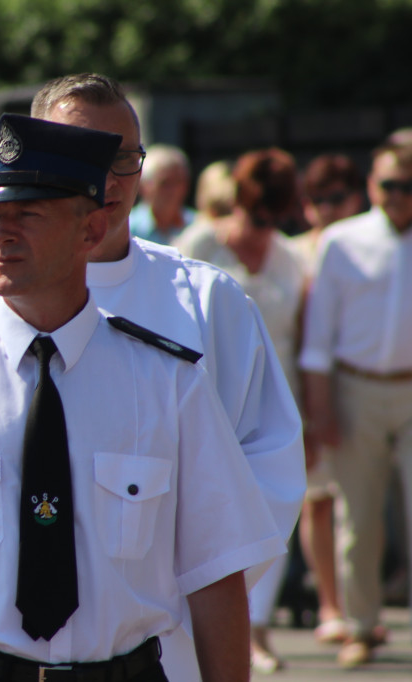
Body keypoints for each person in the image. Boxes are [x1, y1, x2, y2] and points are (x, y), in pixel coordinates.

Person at [0, 113, 285, 682]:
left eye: (27, 214)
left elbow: (216, 572)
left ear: (89, 231)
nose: (0, 234)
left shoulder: (167, 380)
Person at [175, 148, 307, 673]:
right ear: (236, 205)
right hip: (206, 407)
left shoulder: (290, 258)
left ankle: (258, 626)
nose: (263, 230)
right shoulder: (196, 246)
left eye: (274, 220)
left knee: (271, 515)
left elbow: (300, 335)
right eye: (256, 217)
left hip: (273, 399)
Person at [300, 138, 412, 668]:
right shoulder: (342, 242)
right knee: (359, 519)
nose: (397, 196)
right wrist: (319, 411)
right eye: (389, 184)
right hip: (357, 388)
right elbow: (318, 335)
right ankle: (362, 626)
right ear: (372, 184)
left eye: (408, 186)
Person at [293, 152, 364, 646]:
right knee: (316, 500)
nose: (326, 209)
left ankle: (361, 602)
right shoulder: (293, 252)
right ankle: (330, 604)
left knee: (358, 505)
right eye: (316, 200)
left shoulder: (363, 246)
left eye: (336, 198)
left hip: (362, 383)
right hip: (306, 384)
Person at [128, 144, 196, 245]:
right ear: (143, 186)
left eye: (179, 182)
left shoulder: (197, 225)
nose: (174, 190)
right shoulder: (127, 230)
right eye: (165, 183)